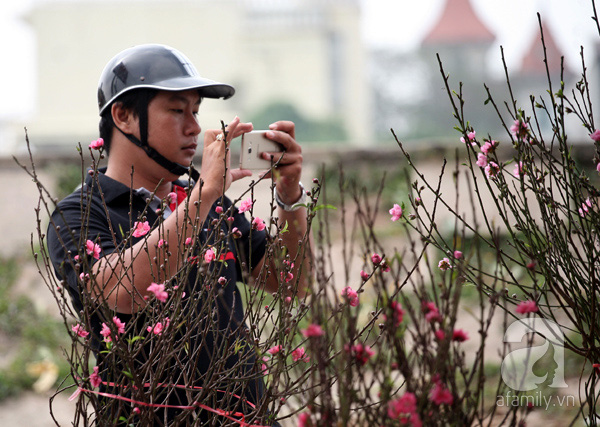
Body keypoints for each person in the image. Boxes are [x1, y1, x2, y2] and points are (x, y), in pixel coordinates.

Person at [47, 44, 311, 425]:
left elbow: (292, 281)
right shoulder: (79, 214)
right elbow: (119, 292)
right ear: (122, 115)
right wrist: (203, 197)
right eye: (176, 110)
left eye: (196, 111)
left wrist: (290, 196)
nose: (194, 127)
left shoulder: (206, 202)